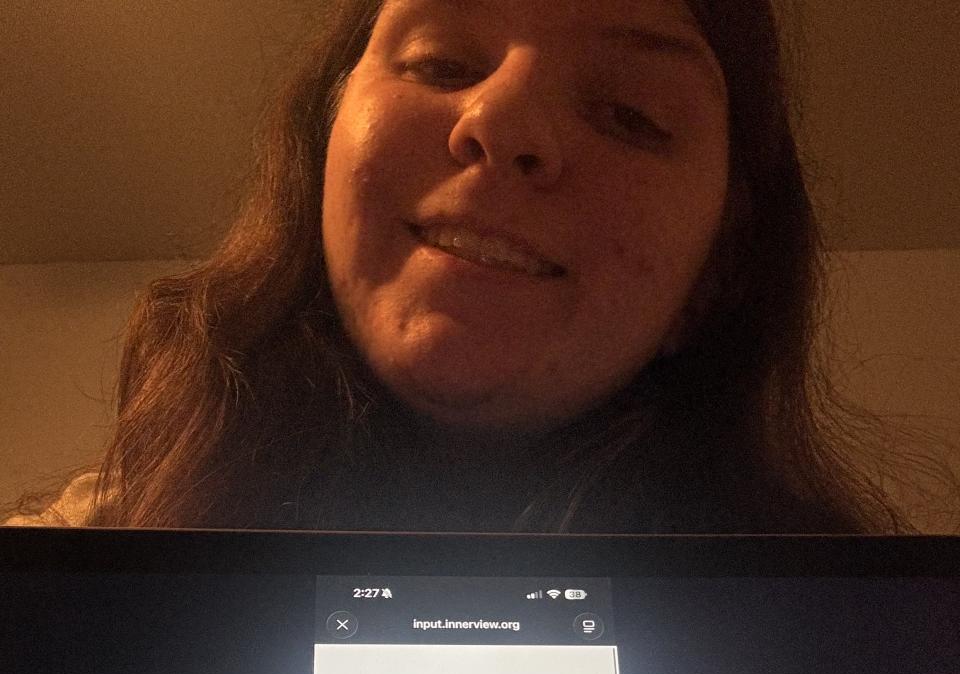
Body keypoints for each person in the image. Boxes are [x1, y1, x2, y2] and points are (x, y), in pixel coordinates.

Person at [8, 0, 902, 533]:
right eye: (440, 62)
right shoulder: (73, 567)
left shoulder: (870, 661)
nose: (500, 122)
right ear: (323, 154)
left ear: (721, 269)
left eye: (630, 114)